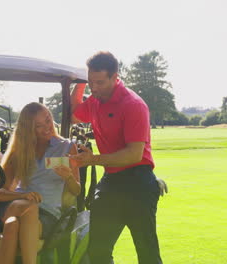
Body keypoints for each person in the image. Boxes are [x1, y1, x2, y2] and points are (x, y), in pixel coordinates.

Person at [69, 51, 163, 264]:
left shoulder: (133, 105)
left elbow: (133, 154)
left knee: (147, 253)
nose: (95, 88)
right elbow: (73, 114)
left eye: (100, 82)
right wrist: (80, 82)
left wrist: (93, 160)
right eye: (91, 82)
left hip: (138, 183)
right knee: (98, 250)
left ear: (115, 76)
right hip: (112, 181)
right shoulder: (95, 100)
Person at [0, 102, 80, 264]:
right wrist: (24, 195)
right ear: (28, 130)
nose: (47, 127)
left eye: (47, 120)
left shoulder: (67, 148)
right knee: (29, 206)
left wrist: (68, 177)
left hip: (48, 214)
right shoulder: (19, 152)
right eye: (38, 126)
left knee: (12, 225)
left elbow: (76, 191)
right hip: (16, 207)